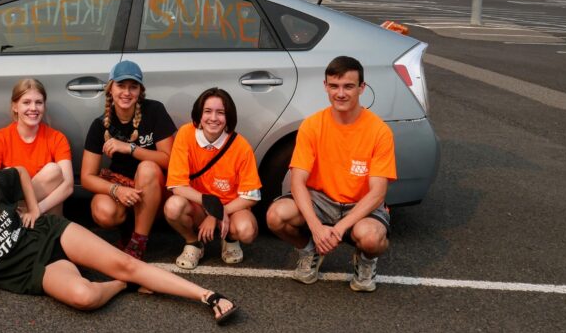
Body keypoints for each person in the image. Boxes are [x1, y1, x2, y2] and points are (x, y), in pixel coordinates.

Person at [0, 145, 239, 325]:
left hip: (50, 234)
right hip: (34, 272)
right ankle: (122, 285)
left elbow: (19, 173)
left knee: (126, 262)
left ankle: (208, 296)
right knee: (84, 298)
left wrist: (33, 209)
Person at [265, 56, 396, 292]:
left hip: (360, 202)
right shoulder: (312, 125)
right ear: (325, 86)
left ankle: (366, 261)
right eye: (334, 86)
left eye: (348, 86)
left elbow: (378, 193)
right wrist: (316, 228)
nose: (341, 93)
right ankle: (309, 251)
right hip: (321, 200)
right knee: (276, 216)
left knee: (371, 238)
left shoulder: (379, 131)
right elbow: (297, 182)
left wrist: (339, 228)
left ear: (361, 88)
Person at [81, 61, 176, 260]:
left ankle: (138, 243)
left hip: (156, 188)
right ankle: (129, 230)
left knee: (147, 168)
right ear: (110, 88)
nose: (127, 92)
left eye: (133, 87)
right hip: (122, 185)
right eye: (121, 86)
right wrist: (116, 190)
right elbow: (87, 177)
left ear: (140, 91)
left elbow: (170, 160)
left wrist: (131, 148)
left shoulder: (154, 111)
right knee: (103, 211)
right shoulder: (100, 125)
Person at [164, 88, 260, 270]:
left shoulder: (241, 146)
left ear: (228, 117)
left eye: (221, 112)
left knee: (246, 230)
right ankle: (193, 243)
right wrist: (211, 208)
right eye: (208, 111)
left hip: (230, 209)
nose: (213, 118)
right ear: (199, 115)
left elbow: (251, 196)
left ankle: (229, 239)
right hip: (198, 206)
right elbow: (177, 186)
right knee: (173, 206)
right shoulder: (185, 134)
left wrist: (217, 214)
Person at [0, 79, 73, 215]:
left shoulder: (57, 138)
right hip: (10, 207)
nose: (33, 108)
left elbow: (68, 186)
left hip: (44, 210)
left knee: (53, 172)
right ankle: (18, 217)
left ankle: (47, 230)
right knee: (7, 173)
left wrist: (36, 209)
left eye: (39, 102)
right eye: (26, 102)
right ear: (15, 106)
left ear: (44, 106)